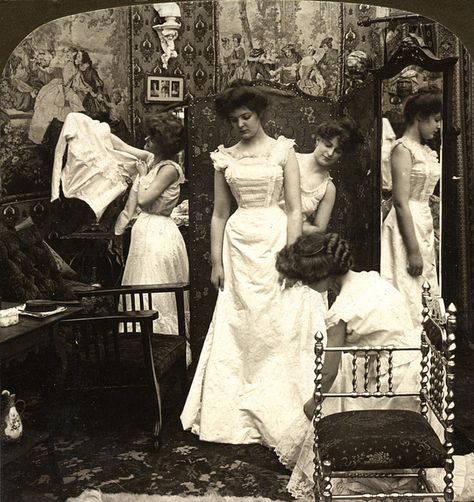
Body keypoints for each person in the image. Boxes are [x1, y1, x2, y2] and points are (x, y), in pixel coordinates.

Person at [181, 80, 325, 447]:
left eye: (246, 117)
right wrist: (217, 262)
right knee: (240, 322)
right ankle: (235, 413)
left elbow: (294, 209)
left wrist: (292, 257)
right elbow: (217, 214)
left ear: (259, 114)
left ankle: (280, 408)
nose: (241, 125)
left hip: (275, 238)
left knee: (274, 322)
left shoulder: (283, 151)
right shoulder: (224, 157)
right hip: (238, 243)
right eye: (234, 120)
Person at [273, 232, 447, 498]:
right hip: (419, 370)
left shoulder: (340, 311)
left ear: (323, 276)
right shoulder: (372, 279)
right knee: (349, 372)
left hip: (393, 386)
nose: (306, 286)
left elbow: (328, 371)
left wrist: (312, 402)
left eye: (308, 280)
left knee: (334, 389)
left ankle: (349, 468)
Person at [117, 112, 190, 354]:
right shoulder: (155, 162)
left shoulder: (169, 168)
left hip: (158, 232)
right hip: (146, 232)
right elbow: (124, 147)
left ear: (165, 143)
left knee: (153, 286)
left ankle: (160, 348)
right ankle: (138, 349)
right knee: (140, 285)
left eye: (153, 137)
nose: (147, 140)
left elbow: (146, 199)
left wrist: (140, 175)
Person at [381, 90, 441, 328]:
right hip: (405, 224)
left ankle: (427, 350)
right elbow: (400, 201)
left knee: (424, 286)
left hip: (423, 221)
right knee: (407, 284)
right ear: (419, 117)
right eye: (435, 119)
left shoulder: (424, 150)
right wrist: (413, 250)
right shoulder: (402, 150)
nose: (438, 126)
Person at [285, 117, 363, 235]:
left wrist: (287, 227)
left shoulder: (328, 189)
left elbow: (319, 229)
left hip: (294, 236)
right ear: (317, 140)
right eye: (328, 145)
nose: (330, 153)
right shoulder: (290, 158)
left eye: (337, 151)